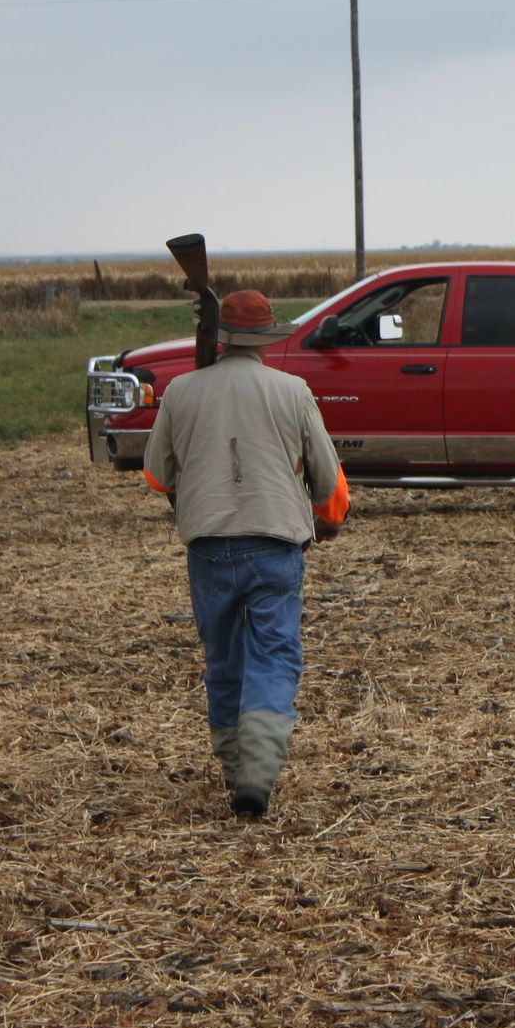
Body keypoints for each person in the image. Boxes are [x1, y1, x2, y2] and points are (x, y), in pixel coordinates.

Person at [142, 289, 351, 818]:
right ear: (264, 338)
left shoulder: (181, 390)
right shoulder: (294, 390)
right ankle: (258, 773)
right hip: (276, 544)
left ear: (219, 338)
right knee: (274, 653)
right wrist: (329, 521)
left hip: (208, 547)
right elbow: (328, 482)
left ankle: (236, 769)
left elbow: (156, 475)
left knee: (224, 660)